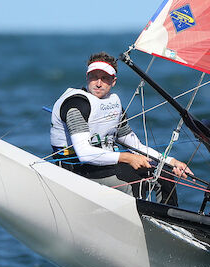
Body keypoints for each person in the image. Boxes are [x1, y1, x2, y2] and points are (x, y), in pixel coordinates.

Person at [50, 51, 192, 206]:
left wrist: (171, 162)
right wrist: (127, 157)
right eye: (94, 77)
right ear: (87, 77)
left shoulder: (113, 106)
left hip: (104, 166)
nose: (98, 83)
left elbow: (136, 147)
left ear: (113, 81)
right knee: (134, 180)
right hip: (76, 170)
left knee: (164, 174)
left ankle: (170, 223)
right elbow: (84, 154)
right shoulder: (76, 105)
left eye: (104, 78)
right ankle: (141, 225)